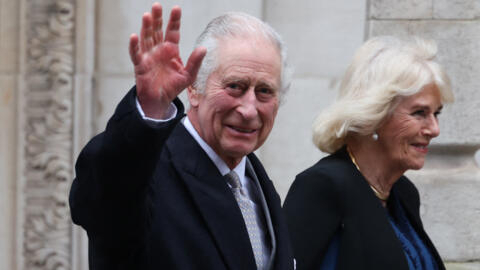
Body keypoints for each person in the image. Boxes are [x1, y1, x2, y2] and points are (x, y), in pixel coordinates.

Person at [69, 3, 294, 269]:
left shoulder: (254, 179)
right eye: (235, 86)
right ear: (194, 90)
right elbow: (103, 196)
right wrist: (150, 110)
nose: (248, 109)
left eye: (265, 91)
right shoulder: (149, 171)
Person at [283, 36, 454, 270]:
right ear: (375, 115)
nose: (434, 129)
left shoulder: (404, 193)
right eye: (419, 113)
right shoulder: (323, 186)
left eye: (437, 113)